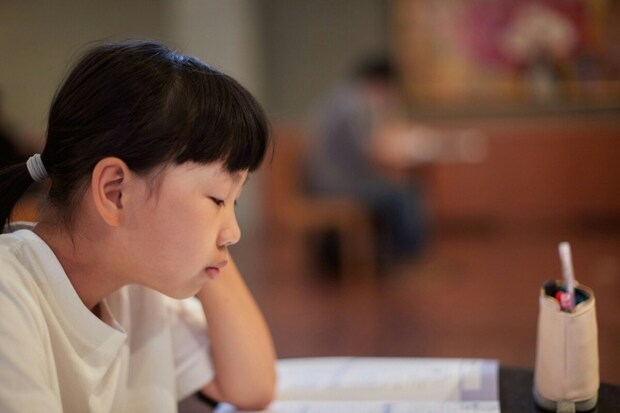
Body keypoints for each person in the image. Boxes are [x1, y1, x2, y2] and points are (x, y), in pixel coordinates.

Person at [0, 40, 276, 412]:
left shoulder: (135, 288)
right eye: (217, 199)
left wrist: (210, 252)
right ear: (115, 192)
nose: (234, 233)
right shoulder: (8, 297)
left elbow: (252, 386)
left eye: (235, 201)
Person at [305, 55, 427, 266]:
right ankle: (408, 262)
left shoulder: (341, 98)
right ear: (381, 83)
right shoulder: (355, 104)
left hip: (326, 181)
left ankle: (391, 257)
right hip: (338, 186)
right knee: (404, 193)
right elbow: (371, 151)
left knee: (396, 189)